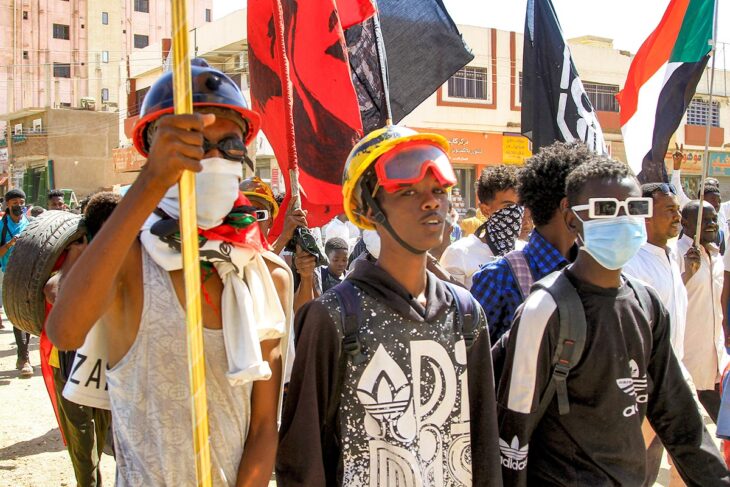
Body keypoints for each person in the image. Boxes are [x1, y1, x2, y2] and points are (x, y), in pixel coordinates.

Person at [46, 60, 290, 486]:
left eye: (228, 145)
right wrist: (151, 183)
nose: (211, 158)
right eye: (194, 144)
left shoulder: (268, 276)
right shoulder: (128, 259)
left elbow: (265, 425)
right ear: (155, 151)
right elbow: (65, 330)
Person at [277, 126, 501, 486]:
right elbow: (302, 457)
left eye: (438, 191)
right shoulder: (333, 316)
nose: (431, 203)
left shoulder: (466, 314)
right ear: (368, 208)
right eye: (408, 191)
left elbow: (485, 447)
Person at [497, 157, 729, 486]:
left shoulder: (647, 305)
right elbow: (512, 435)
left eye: (634, 207)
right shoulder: (545, 311)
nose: (623, 218)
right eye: (607, 208)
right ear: (571, 217)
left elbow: (680, 420)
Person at [471, 141, 583, 344]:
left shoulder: (592, 272)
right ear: (568, 208)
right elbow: (475, 361)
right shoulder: (499, 277)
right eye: (591, 204)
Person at [43, 192, 119, 487]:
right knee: (87, 441)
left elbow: (54, 291)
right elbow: (53, 291)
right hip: (78, 363)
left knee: (89, 441)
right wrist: (76, 255)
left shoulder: (117, 255)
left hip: (91, 364)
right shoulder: (84, 252)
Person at [622, 182, 690, 486]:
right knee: (638, 471)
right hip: (646, 388)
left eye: (677, 209)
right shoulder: (633, 262)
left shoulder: (672, 255)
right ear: (646, 215)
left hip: (673, 380)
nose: (678, 216)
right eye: (670, 210)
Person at [676, 200, 729, 424]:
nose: (711, 224)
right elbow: (667, 297)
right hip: (688, 353)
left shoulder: (716, 256)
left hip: (715, 353)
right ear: (684, 222)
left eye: (714, 219)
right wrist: (686, 273)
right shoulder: (675, 253)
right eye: (704, 220)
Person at [439, 165, 518, 288]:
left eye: (521, 206)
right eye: (508, 206)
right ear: (485, 210)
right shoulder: (459, 253)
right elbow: (453, 303)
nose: (517, 212)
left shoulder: (524, 251)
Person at [0, 188, 32, 377]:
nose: (19, 207)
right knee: (15, 315)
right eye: (15, 204)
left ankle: (24, 356)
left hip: (28, 274)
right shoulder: (2, 227)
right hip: (8, 274)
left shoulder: (32, 224)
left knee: (25, 314)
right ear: (7, 205)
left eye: (21, 203)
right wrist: (11, 243)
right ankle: (24, 357)